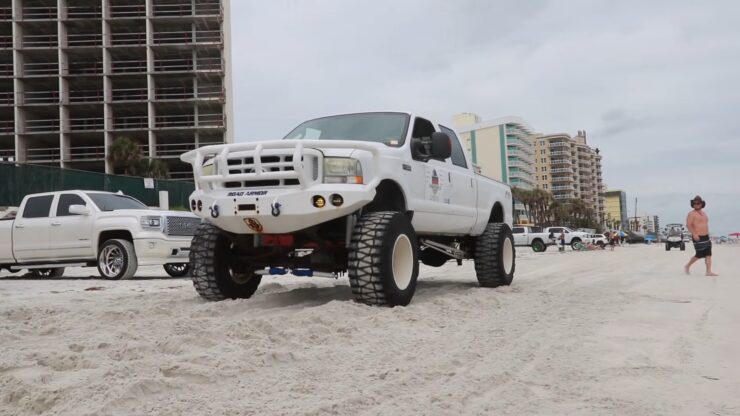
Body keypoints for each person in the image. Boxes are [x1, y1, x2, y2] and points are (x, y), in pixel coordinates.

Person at [684, 195, 718, 276]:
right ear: (693, 204)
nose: (696, 204)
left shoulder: (704, 213)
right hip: (698, 237)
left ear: (701, 204)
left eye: (698, 203)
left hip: (706, 237)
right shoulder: (691, 214)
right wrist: (694, 234)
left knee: (708, 254)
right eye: (694, 203)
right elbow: (688, 225)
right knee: (699, 255)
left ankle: (708, 271)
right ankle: (687, 266)